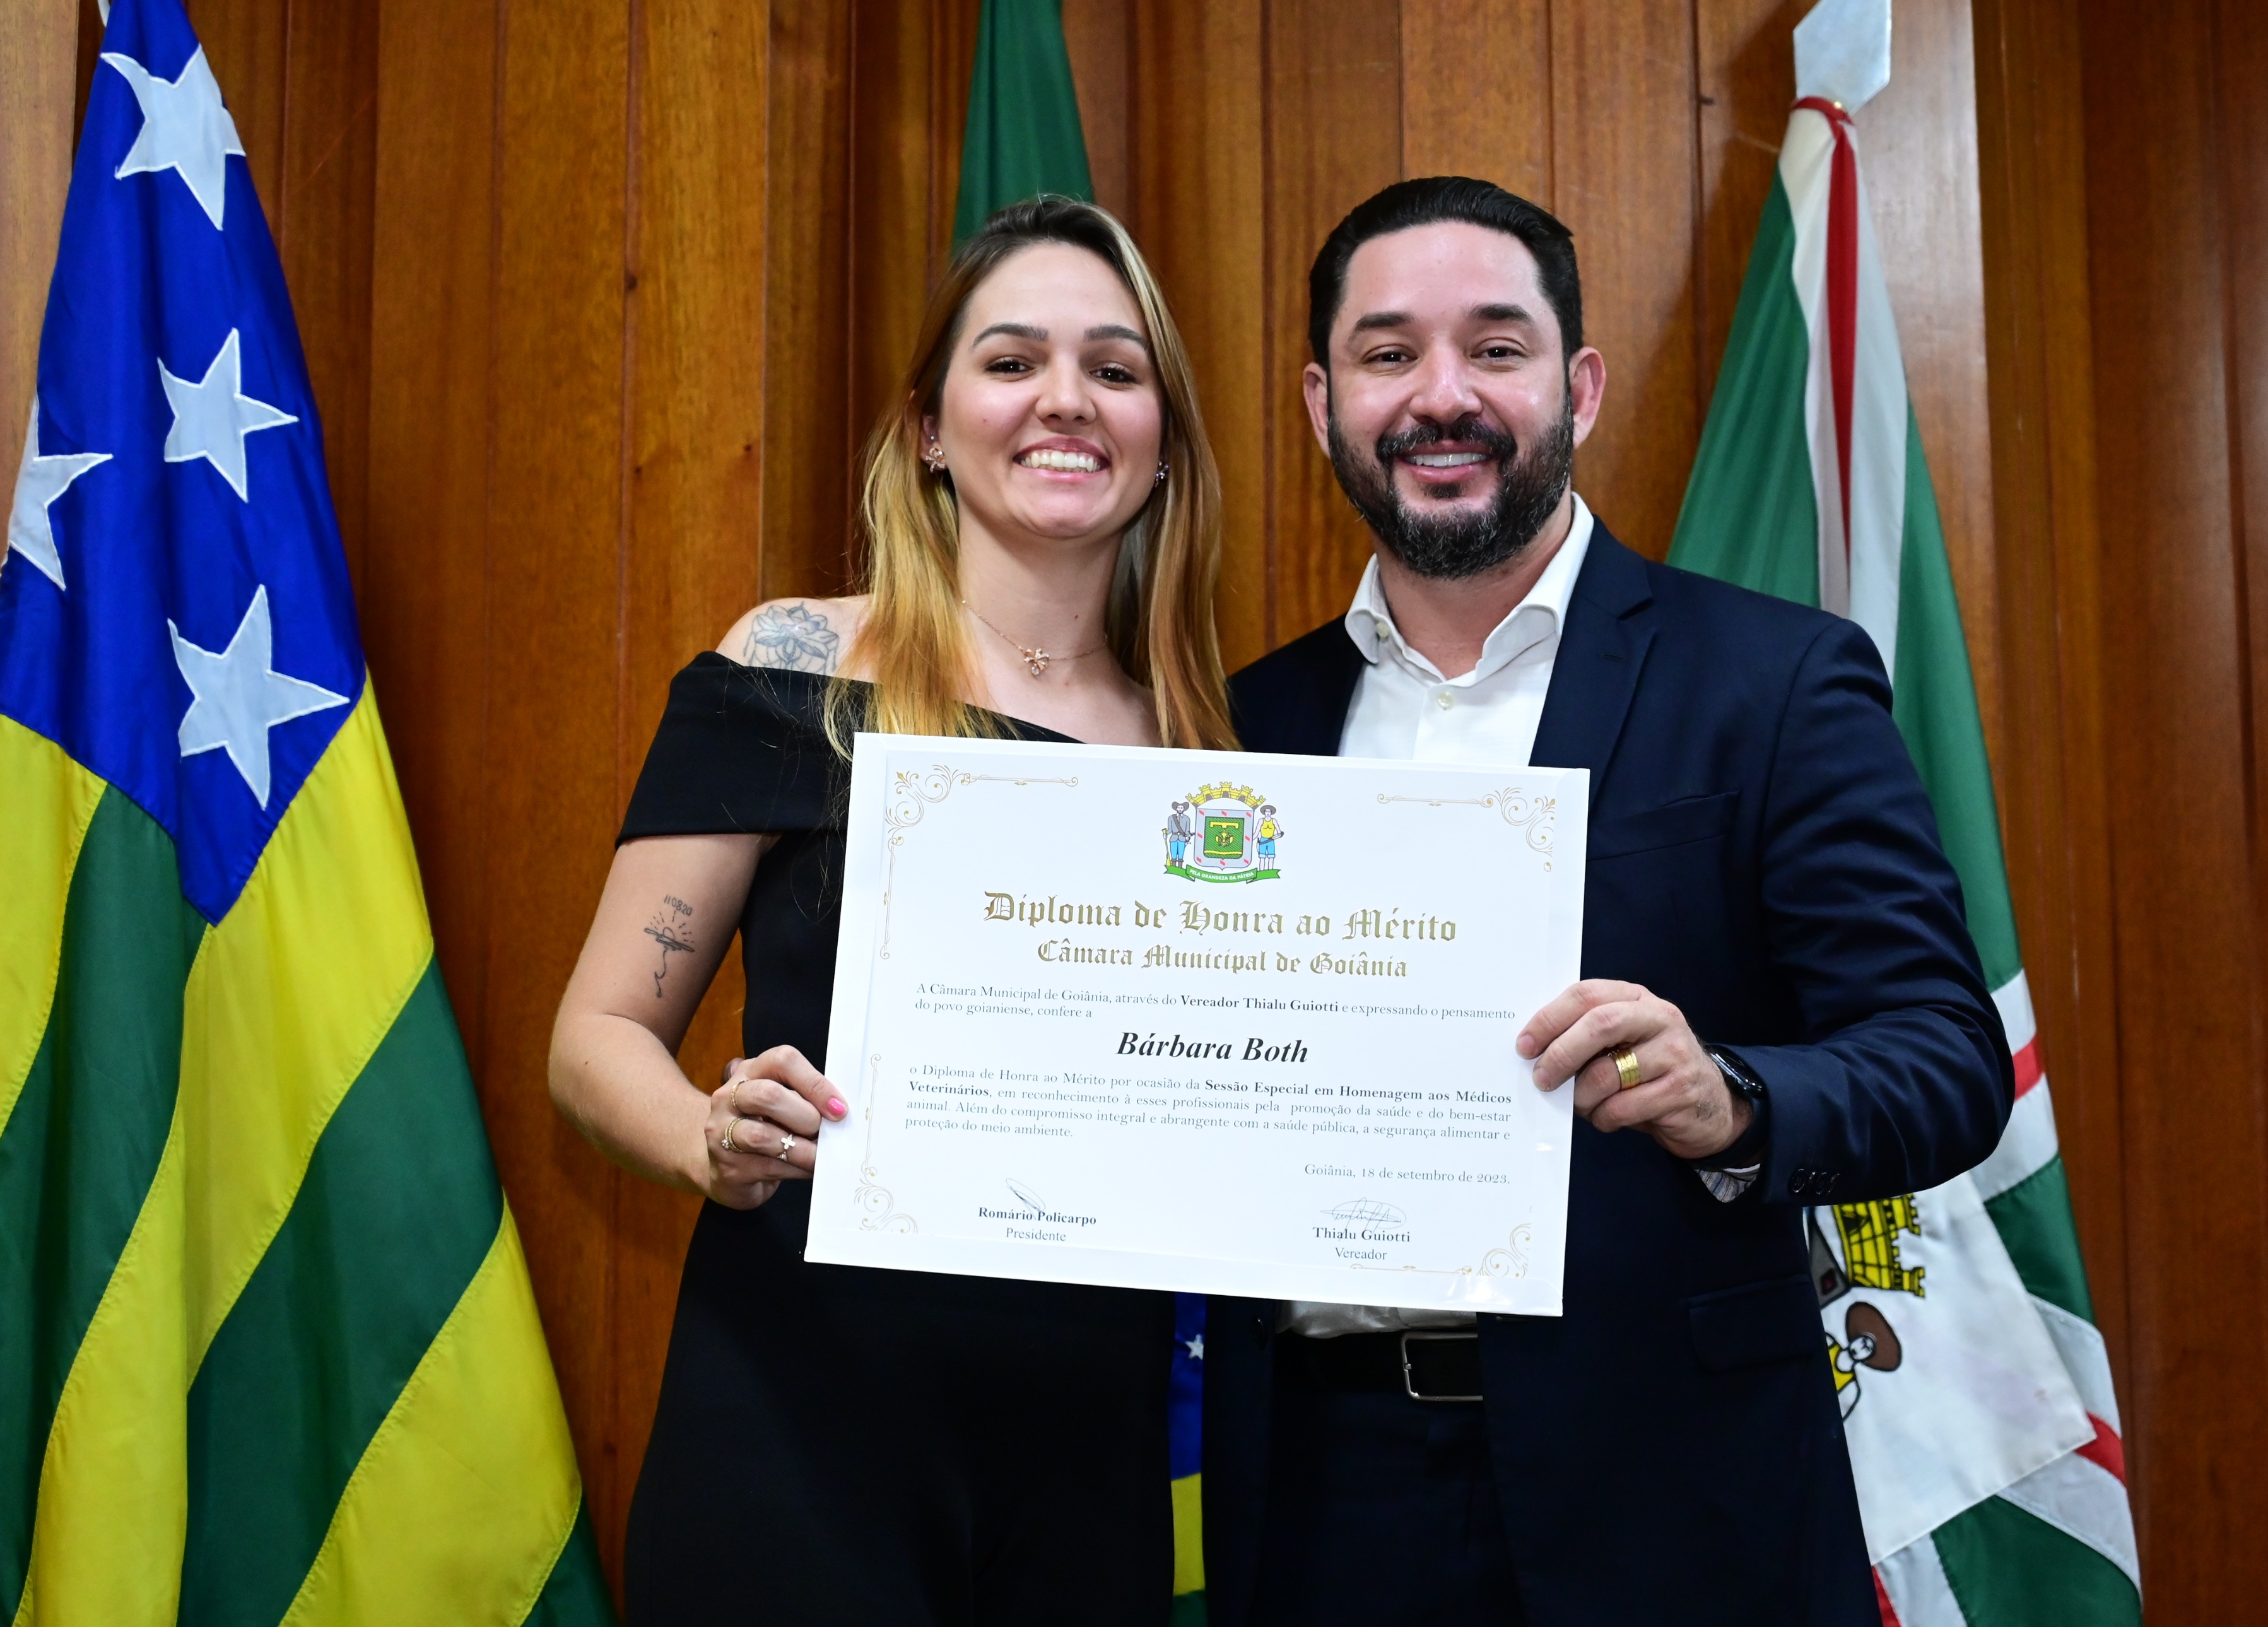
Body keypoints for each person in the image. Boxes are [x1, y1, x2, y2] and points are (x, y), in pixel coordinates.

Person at [1204, 177, 2012, 1626]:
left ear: (1576, 387)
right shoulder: (1236, 731)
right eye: (1388, 353)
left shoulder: (1772, 681)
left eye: (1494, 347)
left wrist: (1733, 1098)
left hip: (1674, 1495)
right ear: (1323, 405)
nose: (1440, 396)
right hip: (1322, 1502)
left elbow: (1945, 1062)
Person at [548, 197, 1237, 1626]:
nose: (1065, 400)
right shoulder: (793, 665)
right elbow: (595, 1035)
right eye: (1012, 361)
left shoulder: (1214, 759)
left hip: (1096, 1460)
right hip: (801, 1422)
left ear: (1163, 435)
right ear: (928, 426)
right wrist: (708, 1138)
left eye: (1114, 369)